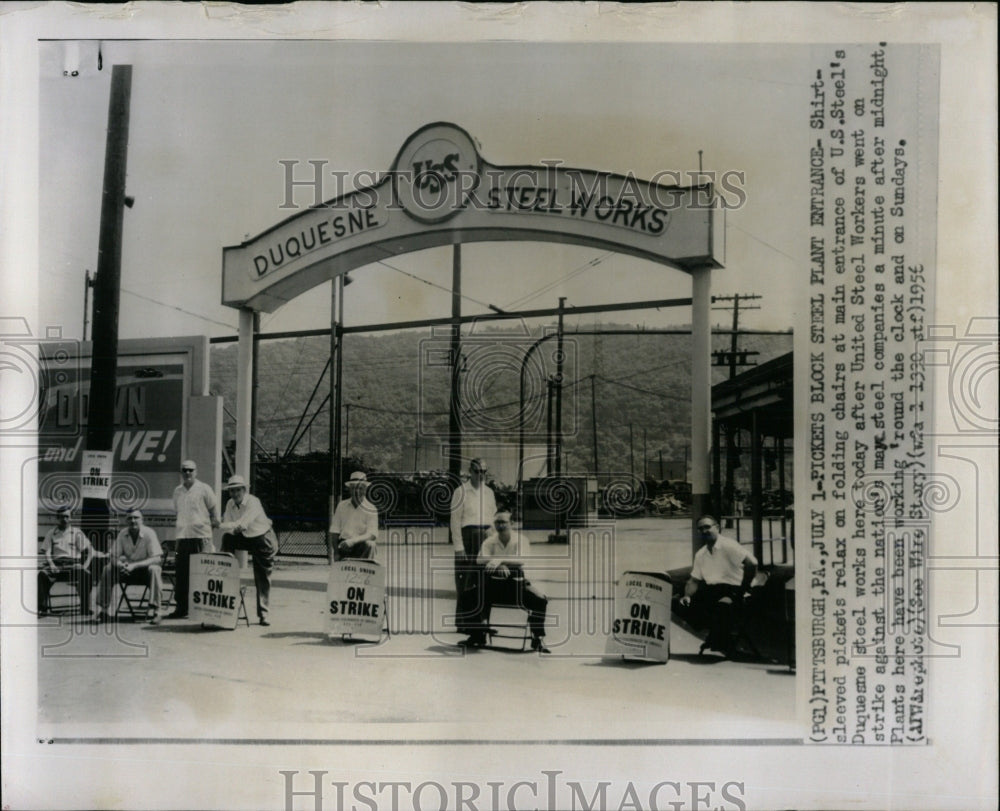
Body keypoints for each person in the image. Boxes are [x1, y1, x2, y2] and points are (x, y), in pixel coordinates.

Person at [678, 515, 758, 657]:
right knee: (678, 603)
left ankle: (719, 639)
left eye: (707, 527)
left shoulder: (728, 545)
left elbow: (752, 563)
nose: (704, 530)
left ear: (717, 527)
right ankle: (716, 634)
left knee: (722, 606)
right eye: (701, 528)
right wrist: (687, 596)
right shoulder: (700, 554)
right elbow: (694, 581)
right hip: (713, 591)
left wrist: (744, 588)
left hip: (735, 590)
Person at [475, 511, 549, 652]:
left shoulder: (521, 540)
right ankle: (478, 634)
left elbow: (522, 560)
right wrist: (499, 565)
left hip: (516, 586)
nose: (500, 526)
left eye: (504, 522)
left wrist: (500, 560)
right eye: (497, 522)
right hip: (494, 587)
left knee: (540, 600)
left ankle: (537, 638)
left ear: (512, 523)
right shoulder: (490, 541)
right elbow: (479, 559)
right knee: (469, 595)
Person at [218, 475, 277, 627]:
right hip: (245, 537)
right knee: (227, 539)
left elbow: (241, 525)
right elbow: (229, 526)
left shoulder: (253, 501)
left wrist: (217, 524)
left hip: (263, 538)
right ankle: (225, 573)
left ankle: (264, 613)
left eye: (238, 490)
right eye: (232, 491)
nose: (235, 494)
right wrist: (224, 525)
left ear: (244, 490)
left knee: (262, 576)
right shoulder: (230, 503)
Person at [449, 458, 496, 640]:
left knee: (484, 582)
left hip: (486, 538)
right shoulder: (460, 492)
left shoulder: (489, 493)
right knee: (467, 583)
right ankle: (465, 624)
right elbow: (454, 522)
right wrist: (459, 547)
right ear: (470, 471)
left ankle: (483, 622)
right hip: (468, 540)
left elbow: (492, 519)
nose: (481, 475)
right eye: (477, 472)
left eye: (484, 472)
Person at [167, 459, 220, 619]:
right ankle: (182, 608)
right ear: (181, 473)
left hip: (201, 537)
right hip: (183, 537)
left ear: (196, 472)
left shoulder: (204, 489)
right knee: (182, 573)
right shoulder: (177, 491)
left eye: (190, 470)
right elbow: (178, 511)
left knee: (202, 572)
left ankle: (203, 609)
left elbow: (213, 510)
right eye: (184, 470)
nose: (187, 473)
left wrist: (212, 526)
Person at [93, 510, 164, 624]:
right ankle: (104, 611)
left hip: (145, 572)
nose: (133, 521)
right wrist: (121, 565)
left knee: (155, 569)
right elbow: (113, 556)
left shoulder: (149, 533)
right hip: (126, 572)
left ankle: (157, 611)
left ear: (142, 520)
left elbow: (157, 559)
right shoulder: (122, 533)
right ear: (126, 521)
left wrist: (134, 566)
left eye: (136, 518)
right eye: (130, 518)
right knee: (108, 569)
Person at [38, 505, 93, 616]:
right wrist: (52, 564)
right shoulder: (51, 533)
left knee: (86, 574)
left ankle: (85, 607)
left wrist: (85, 565)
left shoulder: (77, 532)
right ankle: (42, 608)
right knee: (42, 574)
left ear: (71, 518)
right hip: (56, 565)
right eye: (62, 517)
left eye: (67, 516)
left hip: (73, 565)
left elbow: (90, 551)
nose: (64, 519)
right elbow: (47, 552)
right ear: (57, 518)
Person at [329, 471, 378, 562]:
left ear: (366, 489)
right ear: (349, 489)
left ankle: (365, 573)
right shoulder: (341, 505)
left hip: (362, 546)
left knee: (370, 544)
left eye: (361, 488)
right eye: (354, 488)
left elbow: (372, 534)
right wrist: (336, 552)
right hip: (344, 546)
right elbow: (334, 531)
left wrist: (352, 541)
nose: (357, 491)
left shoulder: (371, 508)